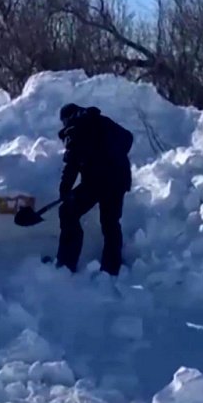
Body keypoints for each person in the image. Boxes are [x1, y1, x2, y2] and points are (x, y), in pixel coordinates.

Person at [51, 103, 133, 276]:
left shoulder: (76, 129)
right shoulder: (101, 121)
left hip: (99, 181)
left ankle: (67, 263)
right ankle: (111, 268)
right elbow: (128, 138)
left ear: (68, 118)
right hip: (117, 179)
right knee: (110, 223)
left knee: (68, 211)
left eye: (64, 121)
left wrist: (64, 190)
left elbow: (72, 165)